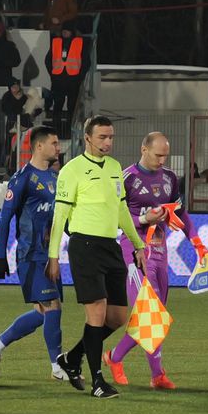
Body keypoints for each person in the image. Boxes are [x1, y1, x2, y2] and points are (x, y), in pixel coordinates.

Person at [47, 116, 146, 399]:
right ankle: (98, 382)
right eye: (102, 137)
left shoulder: (115, 168)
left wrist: (137, 244)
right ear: (87, 138)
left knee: (116, 317)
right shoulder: (72, 170)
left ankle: (71, 357)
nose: (107, 143)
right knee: (97, 314)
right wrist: (53, 255)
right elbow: (60, 216)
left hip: (110, 247)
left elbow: (122, 210)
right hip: (84, 247)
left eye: (111, 137)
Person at [104, 132, 208, 389]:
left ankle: (134, 366)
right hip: (134, 249)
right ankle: (140, 368)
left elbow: (181, 213)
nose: (163, 160)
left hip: (160, 251)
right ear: (144, 149)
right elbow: (112, 215)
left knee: (156, 317)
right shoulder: (127, 178)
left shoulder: (170, 178)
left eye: (166, 155)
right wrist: (142, 220)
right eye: (158, 154)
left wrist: (198, 245)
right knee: (149, 313)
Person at [0, 127, 66, 380]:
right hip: (30, 255)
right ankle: (58, 367)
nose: (58, 148)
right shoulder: (22, 179)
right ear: (39, 146)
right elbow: (4, 218)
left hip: (49, 255)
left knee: (46, 311)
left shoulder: (55, 178)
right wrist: (0, 256)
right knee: (51, 306)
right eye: (54, 143)